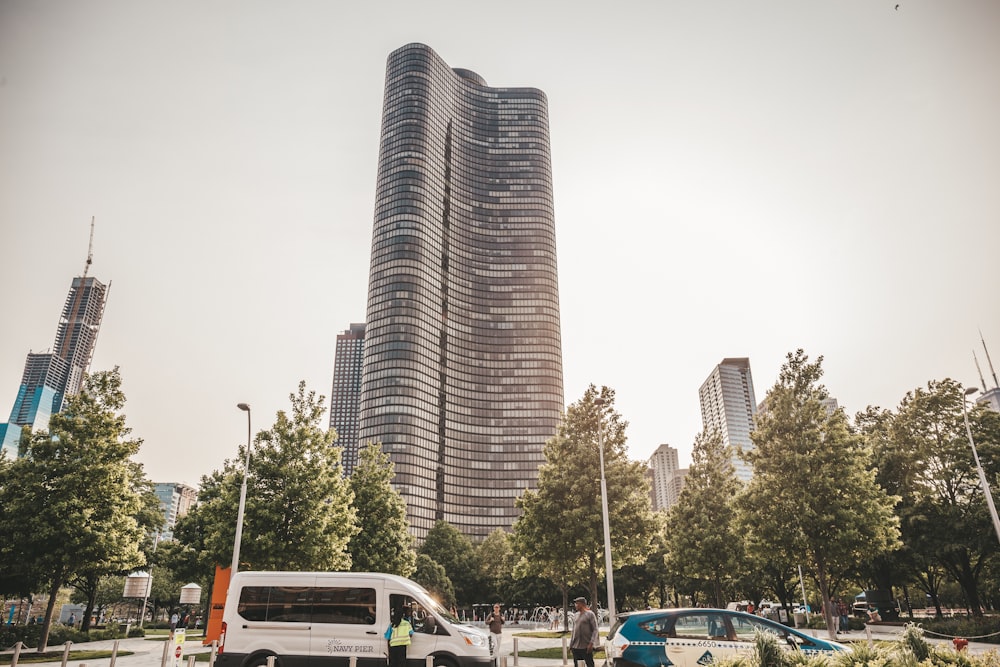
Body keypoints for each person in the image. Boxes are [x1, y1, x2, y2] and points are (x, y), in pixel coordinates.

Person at [570, 597, 599, 667]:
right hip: (576, 647)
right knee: (577, 665)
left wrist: (591, 643)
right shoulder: (576, 615)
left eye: (577, 603)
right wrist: (571, 644)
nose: (575, 605)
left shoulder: (590, 614)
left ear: (582, 604)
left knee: (590, 664)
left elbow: (595, 629)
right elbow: (573, 630)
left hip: (586, 646)